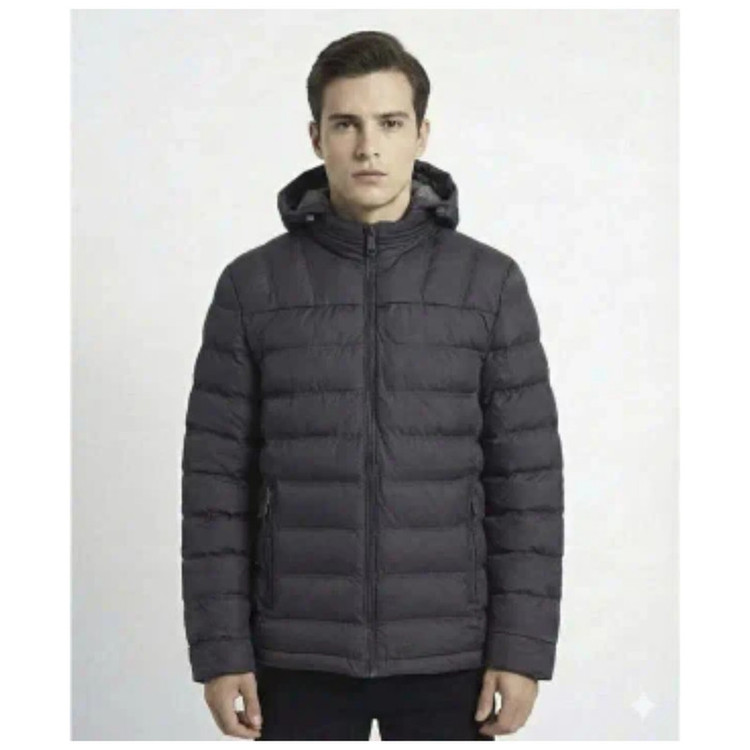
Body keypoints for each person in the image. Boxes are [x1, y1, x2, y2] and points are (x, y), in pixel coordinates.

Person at [180, 30, 564, 741]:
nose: (368, 148)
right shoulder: (252, 288)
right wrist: (221, 650)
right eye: (345, 125)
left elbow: (527, 486)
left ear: (421, 134)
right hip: (295, 658)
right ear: (316, 137)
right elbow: (214, 486)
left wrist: (521, 649)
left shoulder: (488, 284)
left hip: (452, 657)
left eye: (389, 123)